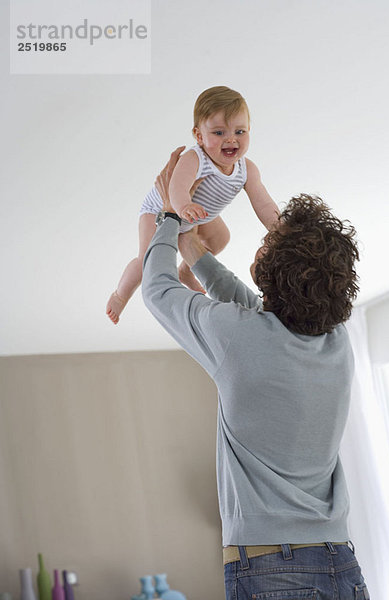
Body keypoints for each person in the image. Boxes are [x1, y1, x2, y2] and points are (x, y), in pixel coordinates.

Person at [141, 148, 371, 600]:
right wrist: (197, 254)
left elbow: (158, 289)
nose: (265, 238)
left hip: (272, 569)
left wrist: (168, 216)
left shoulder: (238, 336)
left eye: (271, 243)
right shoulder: (336, 342)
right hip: (340, 561)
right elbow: (257, 316)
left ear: (274, 270)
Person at [106, 85, 280, 324]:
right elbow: (176, 188)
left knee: (221, 238)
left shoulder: (246, 169)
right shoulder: (195, 158)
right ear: (199, 136)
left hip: (201, 215)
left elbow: (263, 203)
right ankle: (120, 295)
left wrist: (279, 228)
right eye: (219, 133)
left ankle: (186, 271)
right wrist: (184, 206)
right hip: (162, 211)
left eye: (240, 131)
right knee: (146, 258)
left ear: (249, 130)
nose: (231, 139)